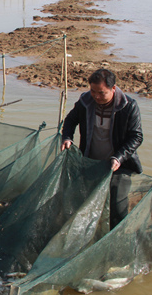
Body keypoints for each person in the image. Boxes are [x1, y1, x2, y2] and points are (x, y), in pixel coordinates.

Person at [60, 68, 143, 228]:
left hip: (119, 165)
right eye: (93, 91)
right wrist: (67, 138)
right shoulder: (85, 102)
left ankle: (115, 238)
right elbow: (70, 120)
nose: (96, 96)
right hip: (91, 162)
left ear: (113, 89)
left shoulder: (129, 106)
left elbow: (136, 136)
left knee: (118, 208)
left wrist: (118, 157)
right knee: (81, 202)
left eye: (101, 93)